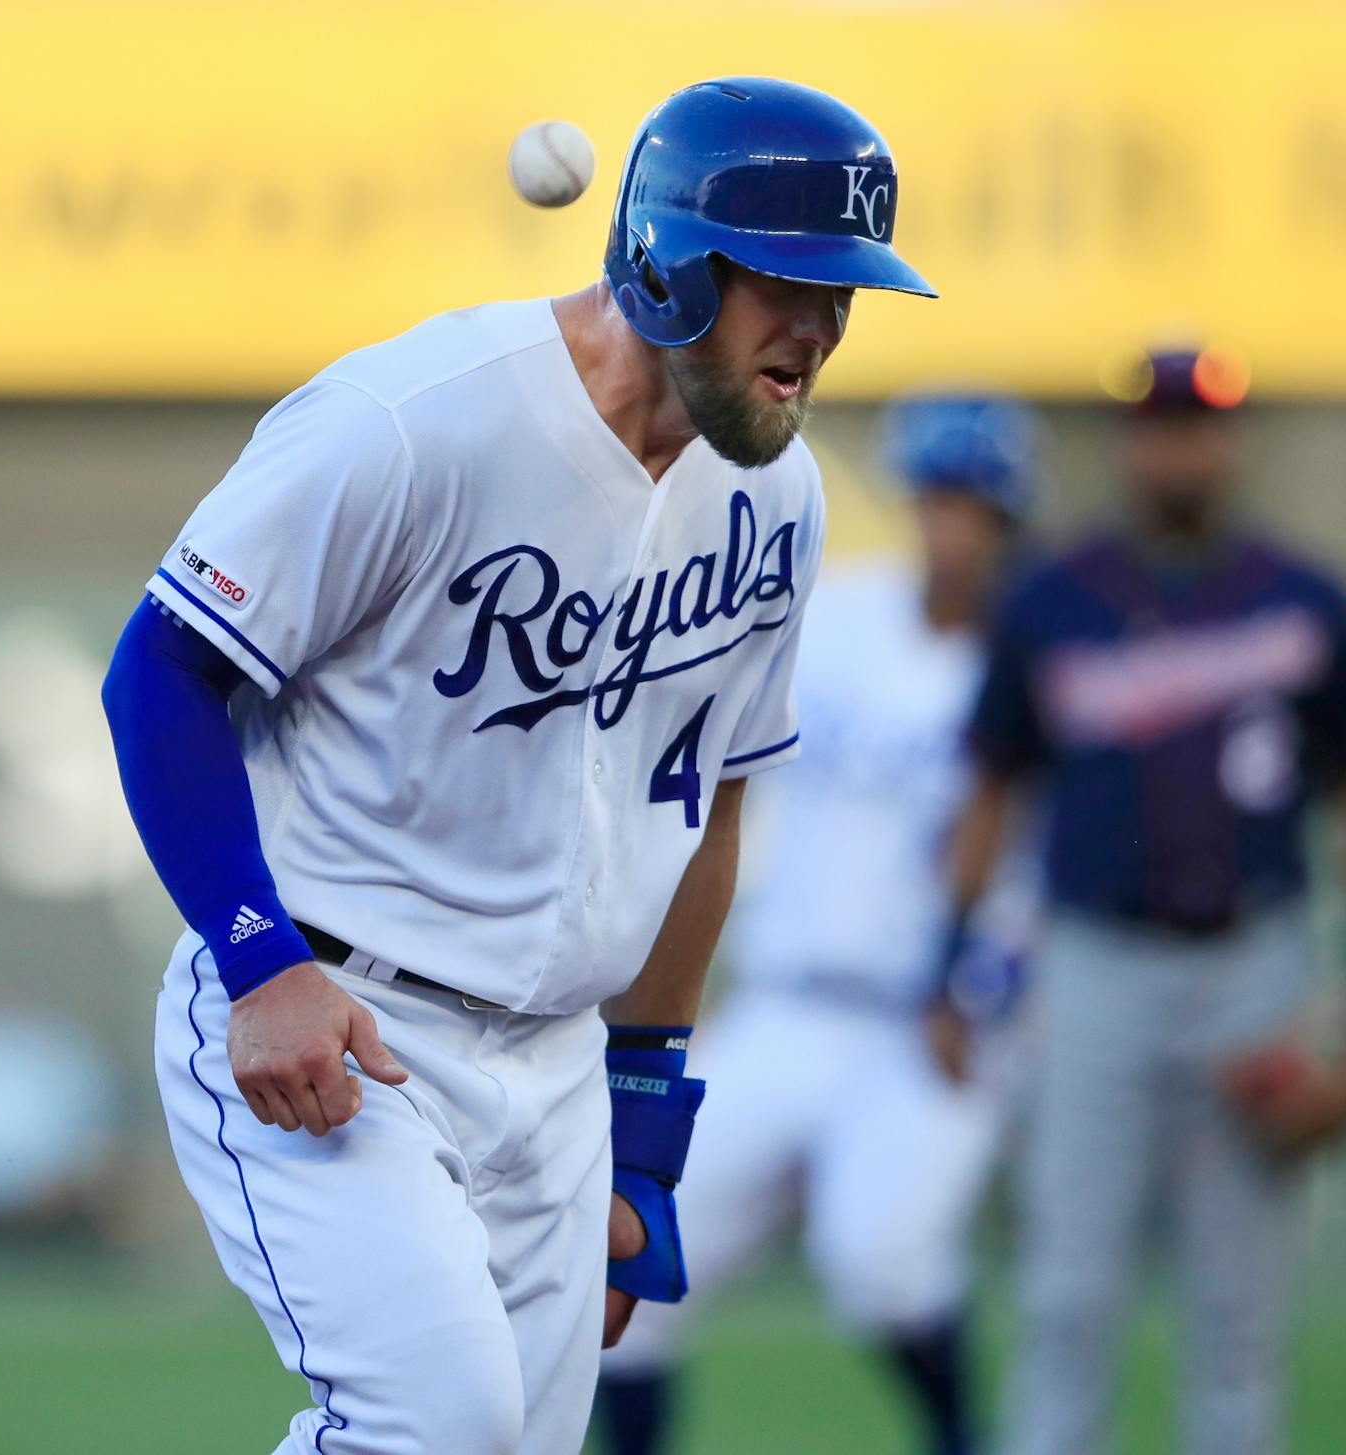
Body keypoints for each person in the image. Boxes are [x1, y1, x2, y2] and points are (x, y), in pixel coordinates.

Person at [102, 78, 936, 1455]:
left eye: (843, 289)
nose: (821, 327)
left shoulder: (777, 499)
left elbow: (709, 807)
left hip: (557, 1064)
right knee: (439, 1425)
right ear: (670, 264)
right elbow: (159, 674)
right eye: (784, 281)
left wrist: (644, 1126)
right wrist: (260, 964)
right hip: (340, 1013)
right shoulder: (413, 419)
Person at [594, 394, 1042, 1455]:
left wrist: (991, 989)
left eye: (974, 506)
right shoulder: (839, 617)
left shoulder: (1032, 658)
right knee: (623, 1253)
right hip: (788, 1000)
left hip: (925, 1020)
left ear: (1009, 520)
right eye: (935, 498)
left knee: (881, 1259)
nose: (950, 526)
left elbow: (1054, 862)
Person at [943, 348, 1346, 1455]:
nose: (1180, 449)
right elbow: (991, 790)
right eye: (1160, 426)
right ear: (1127, 444)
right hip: (1097, 971)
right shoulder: (1053, 599)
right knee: (1068, 1297)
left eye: (1200, 425)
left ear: (1233, 441)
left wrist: (1333, 1028)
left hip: (1255, 968)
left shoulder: (1305, 598)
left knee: (1240, 1317)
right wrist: (948, 966)